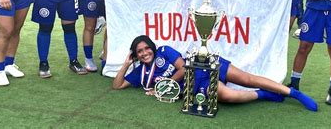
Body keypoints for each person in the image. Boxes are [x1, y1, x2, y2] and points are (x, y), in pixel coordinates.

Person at [112, 36, 318, 111]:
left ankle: (293, 93)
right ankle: (262, 94)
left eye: (147, 48)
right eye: (140, 52)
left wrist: (164, 85)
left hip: (201, 66)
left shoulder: (164, 51)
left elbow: (183, 67)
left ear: (152, 47)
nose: (145, 53)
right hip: (195, 86)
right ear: (136, 55)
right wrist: (126, 64)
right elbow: (117, 86)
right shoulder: (140, 73)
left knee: (246, 78)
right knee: (227, 96)